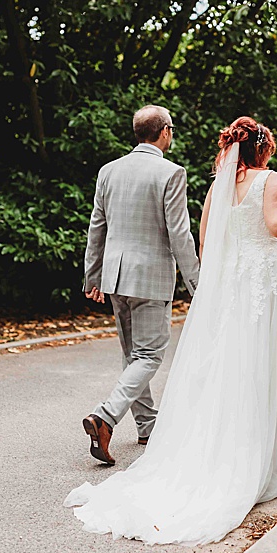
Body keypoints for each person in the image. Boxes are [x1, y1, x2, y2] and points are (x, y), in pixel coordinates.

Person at [65, 116, 277, 545]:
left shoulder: (215, 186)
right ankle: (263, 453)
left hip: (219, 281)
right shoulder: (270, 179)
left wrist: (213, 282)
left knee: (224, 364)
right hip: (262, 279)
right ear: (263, 148)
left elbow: (201, 238)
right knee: (266, 362)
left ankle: (161, 430)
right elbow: (275, 226)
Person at [80, 105, 200, 465]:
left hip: (116, 278)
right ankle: (105, 416)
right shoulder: (170, 172)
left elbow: (96, 226)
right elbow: (180, 234)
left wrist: (92, 275)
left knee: (134, 355)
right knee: (148, 356)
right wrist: (198, 283)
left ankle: (148, 425)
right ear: (164, 132)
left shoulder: (109, 171)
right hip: (150, 279)